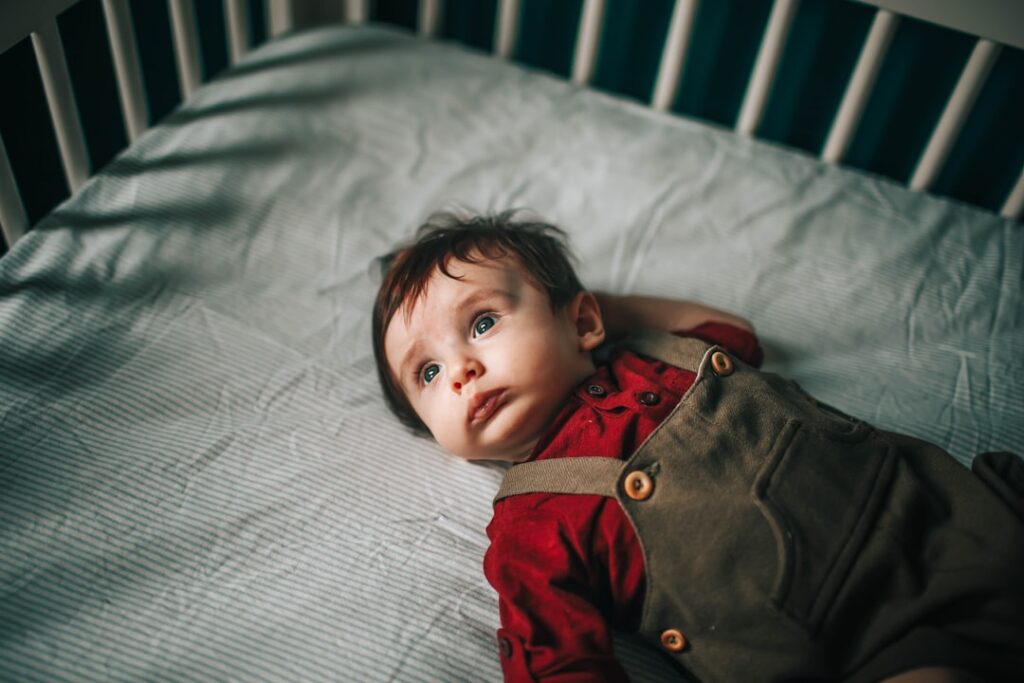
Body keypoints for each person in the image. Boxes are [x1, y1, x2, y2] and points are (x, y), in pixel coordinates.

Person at [372, 210, 1024, 682]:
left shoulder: (661, 354)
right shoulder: (529, 527)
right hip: (869, 637)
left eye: (482, 322)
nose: (459, 368)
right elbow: (557, 659)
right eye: (426, 372)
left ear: (585, 319)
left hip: (955, 510)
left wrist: (604, 316)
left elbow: (734, 333)